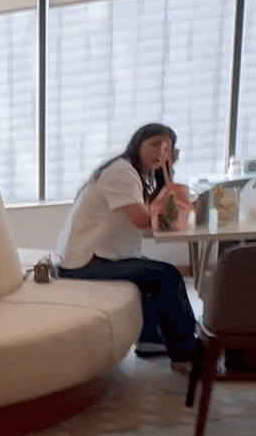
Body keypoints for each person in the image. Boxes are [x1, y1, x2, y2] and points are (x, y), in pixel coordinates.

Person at [52, 122, 199, 370]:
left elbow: (149, 222)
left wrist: (169, 184)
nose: (160, 152)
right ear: (137, 144)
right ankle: (185, 352)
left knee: (151, 271)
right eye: (154, 144)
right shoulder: (122, 172)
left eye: (167, 148)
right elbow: (143, 220)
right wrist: (180, 208)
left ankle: (151, 340)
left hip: (101, 256)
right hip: (84, 262)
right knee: (168, 275)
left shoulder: (139, 174)